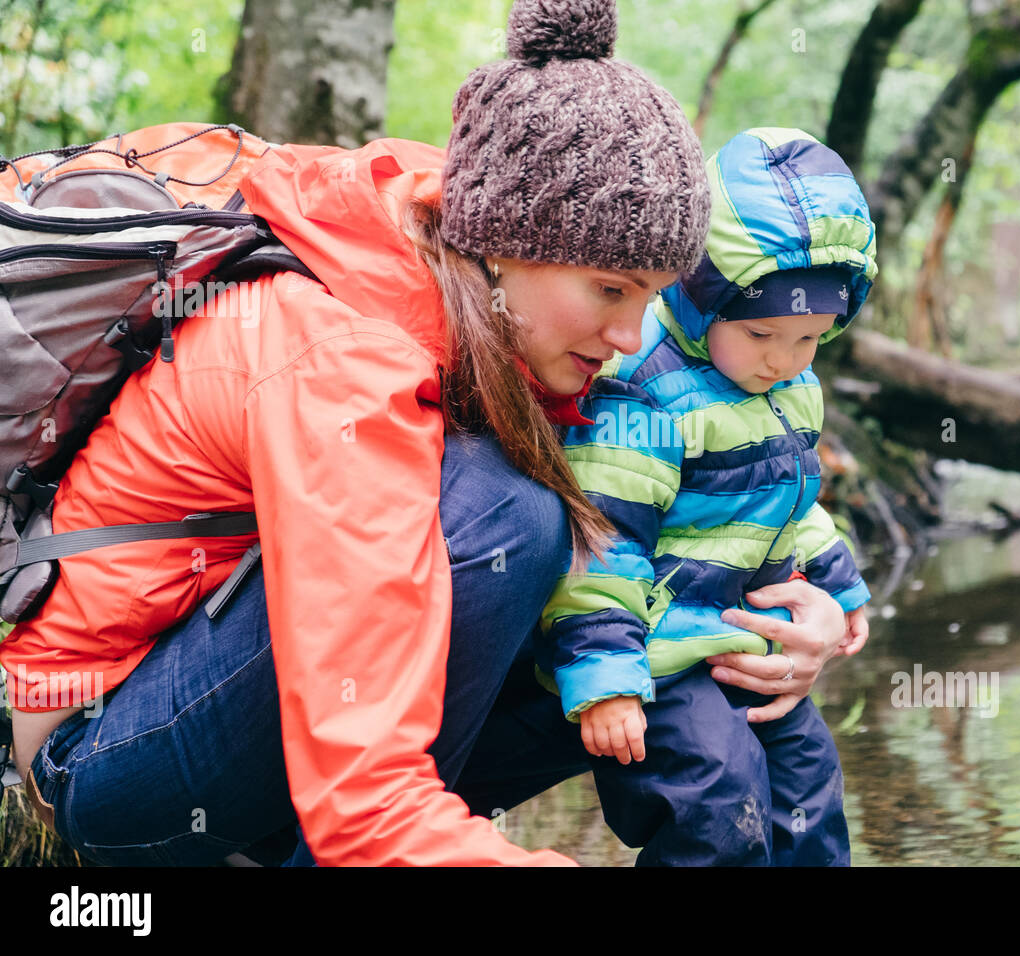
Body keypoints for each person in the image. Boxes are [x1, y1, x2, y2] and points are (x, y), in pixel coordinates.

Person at [3, 0, 851, 866]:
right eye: (610, 290)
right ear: (506, 247)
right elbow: (362, 802)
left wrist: (790, 621)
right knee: (511, 517)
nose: (632, 338)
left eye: (652, 297)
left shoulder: (471, 257)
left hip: (241, 682)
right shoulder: (345, 365)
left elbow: (666, 508)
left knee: (622, 640)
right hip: (104, 748)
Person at [536, 127, 877, 866]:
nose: (783, 361)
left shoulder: (786, 385)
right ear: (703, 298)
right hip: (659, 653)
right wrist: (603, 673)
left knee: (809, 786)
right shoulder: (645, 393)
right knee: (718, 804)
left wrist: (840, 584)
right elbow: (602, 535)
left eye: (811, 338)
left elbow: (786, 499)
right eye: (762, 334)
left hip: (740, 632)